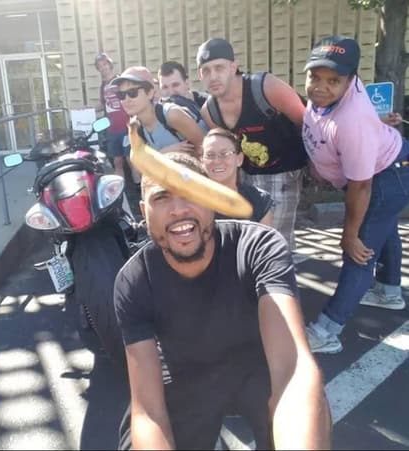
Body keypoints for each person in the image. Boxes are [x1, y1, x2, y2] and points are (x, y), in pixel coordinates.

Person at [114, 151, 331, 449]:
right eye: (162, 197)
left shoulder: (258, 248)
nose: (178, 209)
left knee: (310, 407)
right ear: (144, 211)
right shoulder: (135, 280)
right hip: (184, 376)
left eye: (192, 192)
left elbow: (291, 370)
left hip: (259, 369)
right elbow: (148, 410)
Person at [301, 36, 409, 354]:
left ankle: (326, 331)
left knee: (359, 252)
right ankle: (389, 292)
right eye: (314, 77)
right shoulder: (334, 97)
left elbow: (361, 186)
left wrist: (349, 235)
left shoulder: (353, 121)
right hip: (392, 166)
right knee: (384, 230)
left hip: (386, 178)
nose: (320, 87)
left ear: (350, 80)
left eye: (333, 81)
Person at [197, 38, 307, 251]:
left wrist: (318, 163)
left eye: (219, 68)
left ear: (233, 66)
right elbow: (228, 147)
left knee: (274, 241)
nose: (213, 76)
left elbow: (307, 121)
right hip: (245, 175)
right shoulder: (209, 111)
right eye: (206, 71)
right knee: (246, 241)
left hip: (283, 171)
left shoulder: (266, 87)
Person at [111, 66, 206, 156]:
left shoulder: (172, 115)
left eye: (132, 93)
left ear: (150, 93)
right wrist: (164, 153)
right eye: (121, 95)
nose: (126, 100)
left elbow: (205, 149)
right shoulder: (136, 127)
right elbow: (140, 162)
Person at [202, 128, 274, 225]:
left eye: (224, 154)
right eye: (210, 155)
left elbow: (265, 234)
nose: (217, 161)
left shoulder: (259, 200)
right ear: (201, 161)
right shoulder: (191, 201)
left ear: (239, 159)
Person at [94, 52, 131, 180]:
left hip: (127, 127)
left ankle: (140, 189)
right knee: (117, 162)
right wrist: (87, 110)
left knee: (131, 160)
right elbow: (102, 105)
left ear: (110, 65)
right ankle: (120, 188)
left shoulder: (120, 81)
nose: (103, 67)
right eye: (100, 66)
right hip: (112, 130)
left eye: (105, 64)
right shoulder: (102, 86)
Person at [157, 61, 209, 132]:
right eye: (165, 87)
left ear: (187, 83)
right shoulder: (159, 112)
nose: (171, 92)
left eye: (175, 85)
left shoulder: (207, 103)